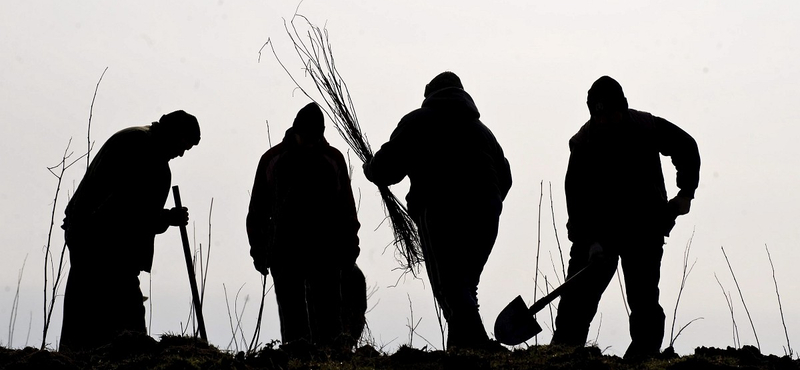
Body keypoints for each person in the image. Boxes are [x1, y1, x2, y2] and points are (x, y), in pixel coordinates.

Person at [551, 76, 701, 360]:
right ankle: (564, 356)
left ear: (623, 108)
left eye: (611, 113)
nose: (605, 120)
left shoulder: (646, 127)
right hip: (599, 233)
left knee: (644, 301)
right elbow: (577, 201)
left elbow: (686, 146)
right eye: (599, 115)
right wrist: (590, 241)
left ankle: (643, 358)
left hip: (643, 228)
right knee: (576, 301)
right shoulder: (583, 144)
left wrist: (686, 193)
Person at [363, 72, 512, 350]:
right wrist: (489, 203)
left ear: (429, 95)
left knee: (452, 287)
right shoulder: (483, 132)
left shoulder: (418, 121)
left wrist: (370, 168)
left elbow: (387, 167)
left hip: (441, 211)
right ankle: (459, 349)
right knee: (465, 285)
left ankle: (479, 346)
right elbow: (506, 177)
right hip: (486, 214)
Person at [60, 110, 200, 352]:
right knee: (124, 322)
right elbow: (125, 208)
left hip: (93, 239)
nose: (181, 153)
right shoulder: (143, 149)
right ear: (174, 133)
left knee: (86, 317)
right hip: (104, 247)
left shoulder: (139, 142)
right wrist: (167, 217)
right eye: (182, 146)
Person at [247, 102, 361, 350]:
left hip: (326, 250)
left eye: (315, 136)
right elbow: (257, 210)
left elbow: (346, 209)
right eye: (306, 136)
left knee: (330, 314)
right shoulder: (272, 160)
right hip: (284, 251)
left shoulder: (333, 159)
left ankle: (331, 360)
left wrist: (350, 247)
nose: (310, 141)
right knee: (293, 316)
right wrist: (259, 250)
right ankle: (297, 359)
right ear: (295, 131)